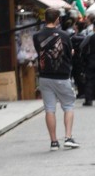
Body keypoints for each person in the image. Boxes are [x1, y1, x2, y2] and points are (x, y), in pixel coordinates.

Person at [33, 8, 80, 151]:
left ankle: (53, 142)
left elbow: (40, 51)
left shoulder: (37, 36)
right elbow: (68, 53)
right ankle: (68, 137)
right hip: (62, 75)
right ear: (57, 19)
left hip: (45, 76)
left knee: (49, 109)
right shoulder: (65, 35)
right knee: (68, 106)